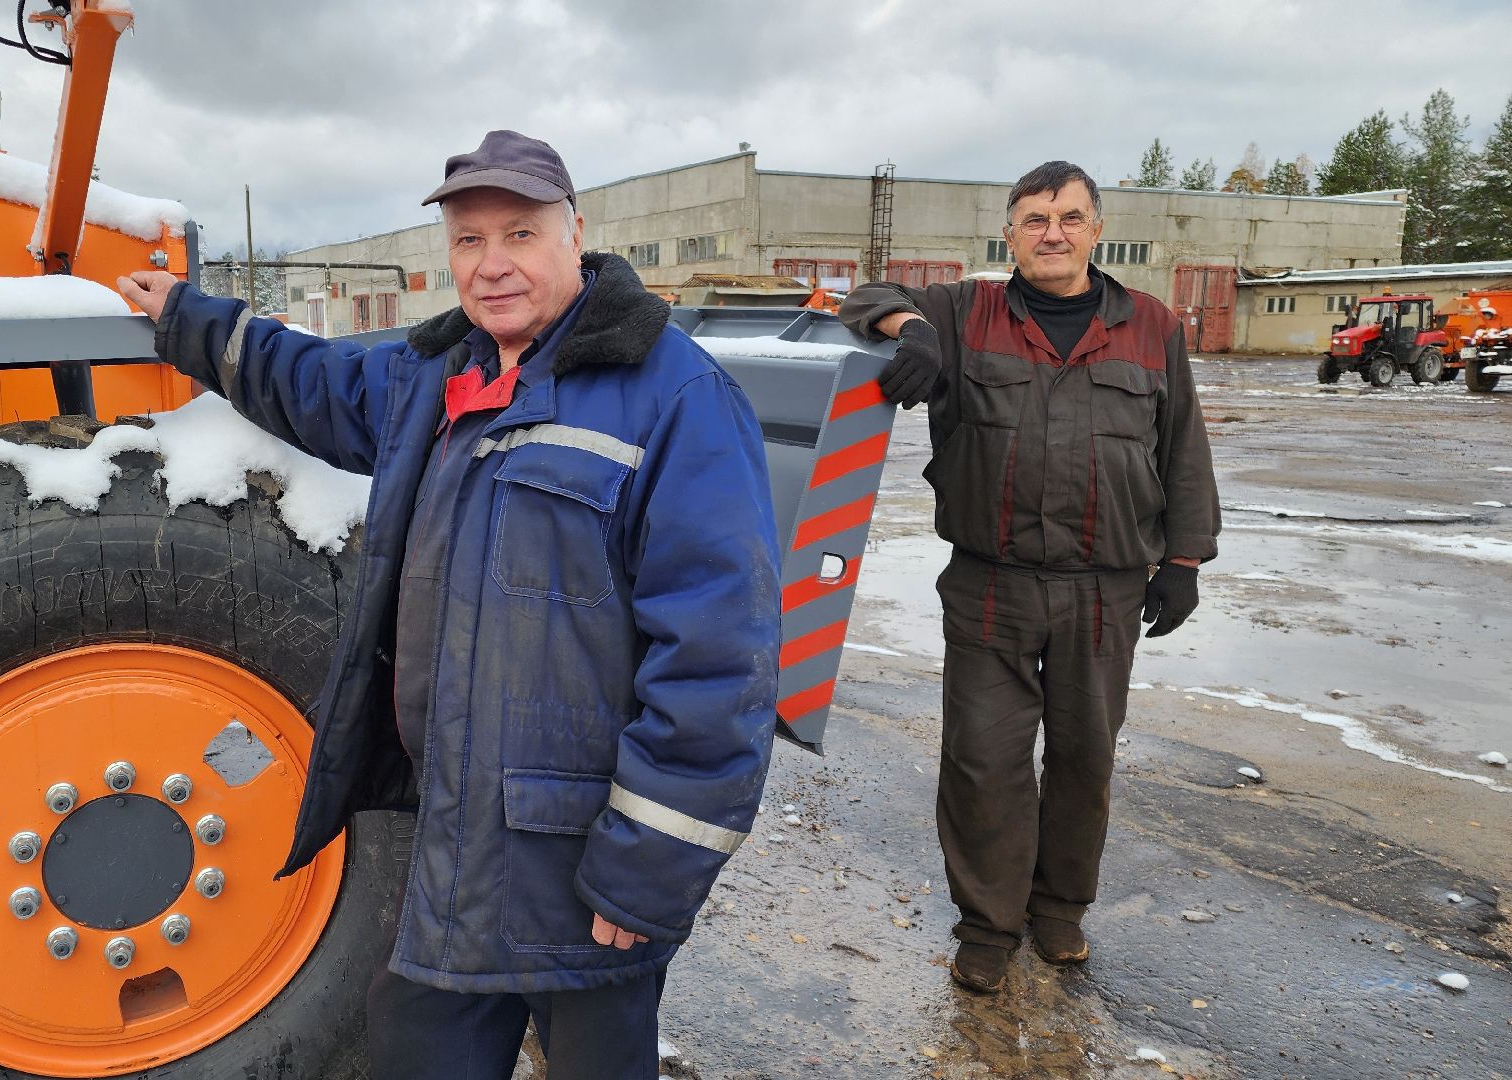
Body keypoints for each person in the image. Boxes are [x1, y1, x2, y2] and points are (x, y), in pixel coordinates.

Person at [119, 130, 782, 1079]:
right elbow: (308, 381)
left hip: (581, 864)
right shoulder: (439, 377)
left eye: (519, 233)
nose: (493, 263)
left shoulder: (675, 398)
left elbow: (721, 658)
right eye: (469, 241)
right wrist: (187, 319)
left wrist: (648, 873)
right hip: (456, 850)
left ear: (576, 234)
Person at [839, 161, 1220, 994]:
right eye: (1036, 219)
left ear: (1096, 229)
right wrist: (910, 328)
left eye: (1071, 218)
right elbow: (859, 298)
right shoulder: (964, 312)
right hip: (990, 581)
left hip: (1106, 587)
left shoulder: (1151, 324)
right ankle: (988, 925)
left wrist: (1184, 559)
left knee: (1085, 757)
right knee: (983, 758)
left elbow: (1182, 444)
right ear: (1009, 234)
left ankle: (1059, 913)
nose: (1054, 233)